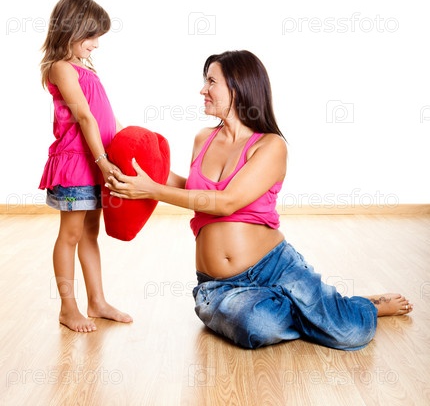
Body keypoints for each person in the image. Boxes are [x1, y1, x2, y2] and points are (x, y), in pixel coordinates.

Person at [106, 50, 413, 350]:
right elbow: (196, 191)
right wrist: (138, 162)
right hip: (219, 286)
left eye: (211, 82)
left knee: (350, 333)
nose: (203, 90)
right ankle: (320, 309)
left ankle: (355, 307)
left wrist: (153, 191)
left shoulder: (270, 146)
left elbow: (226, 202)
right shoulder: (203, 139)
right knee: (257, 325)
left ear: (238, 88)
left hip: (276, 267)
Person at [39, 0, 133, 333]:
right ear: (71, 29)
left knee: (90, 233)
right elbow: (84, 117)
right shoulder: (60, 68)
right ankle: (68, 308)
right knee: (70, 234)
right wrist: (102, 160)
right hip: (78, 165)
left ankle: (97, 301)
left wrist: (127, 143)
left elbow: (106, 116)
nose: (96, 44)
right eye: (91, 36)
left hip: (96, 163)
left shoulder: (84, 67)